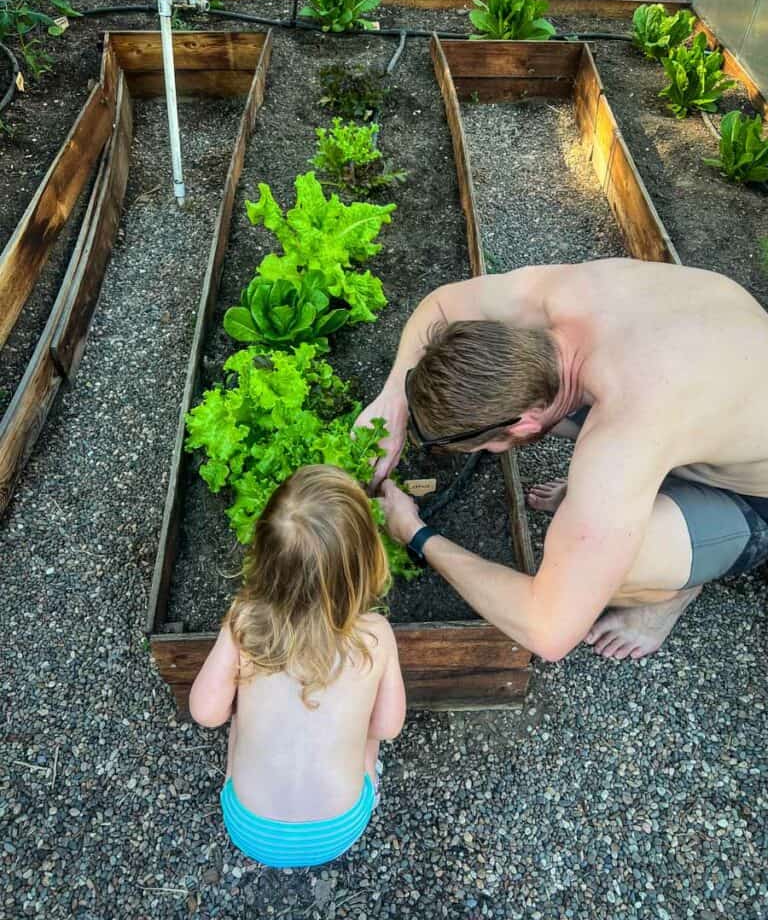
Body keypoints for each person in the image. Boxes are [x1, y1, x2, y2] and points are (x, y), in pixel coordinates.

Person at [359, 258, 768, 662]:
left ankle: (673, 595)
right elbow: (444, 305)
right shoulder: (569, 294)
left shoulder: (621, 436)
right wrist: (393, 399)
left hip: (751, 492)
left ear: (520, 427)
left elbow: (548, 630)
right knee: (595, 507)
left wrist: (415, 533)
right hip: (716, 391)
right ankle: (625, 507)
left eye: (484, 446)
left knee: (613, 568)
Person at [189, 465, 406, 868]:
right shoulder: (376, 634)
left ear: (264, 555)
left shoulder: (244, 620)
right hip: (339, 829)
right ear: (364, 563)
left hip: (248, 827)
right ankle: (360, 774)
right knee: (367, 735)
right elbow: (387, 727)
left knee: (238, 714)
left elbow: (206, 712)